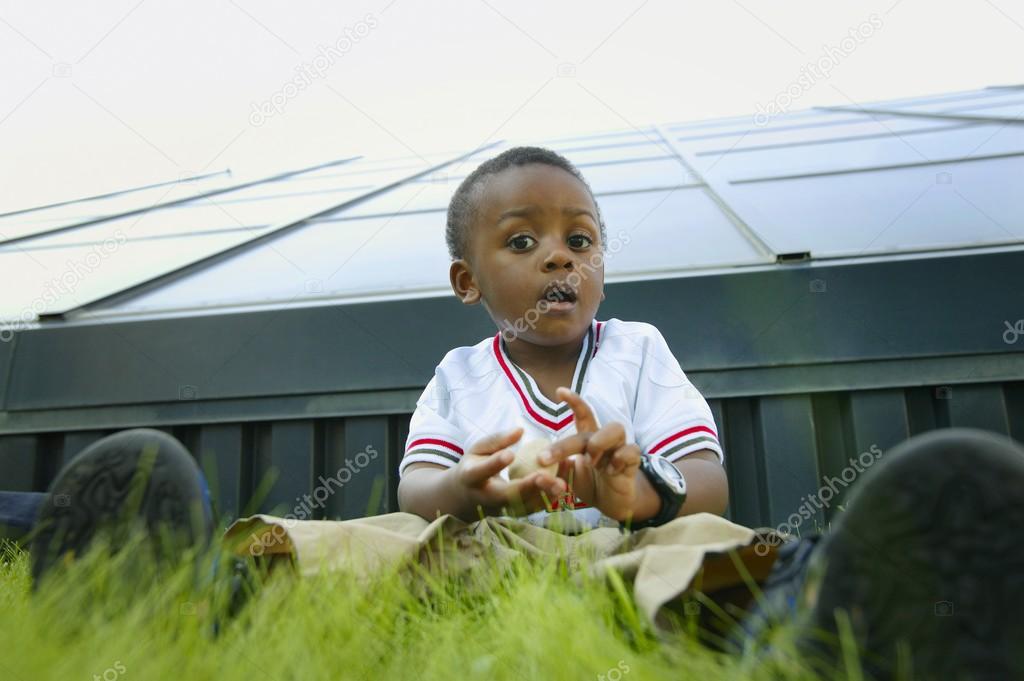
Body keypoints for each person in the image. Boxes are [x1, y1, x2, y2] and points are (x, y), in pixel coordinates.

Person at [14, 147, 1024, 680]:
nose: (560, 257)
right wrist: (470, 488)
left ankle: (835, 615)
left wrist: (638, 492)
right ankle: (175, 586)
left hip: (604, 555)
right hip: (466, 549)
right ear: (467, 278)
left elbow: (704, 483)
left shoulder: (638, 351)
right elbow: (416, 494)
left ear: (601, 265)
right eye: (525, 239)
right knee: (348, 547)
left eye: (580, 239)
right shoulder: (458, 373)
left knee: (719, 547)